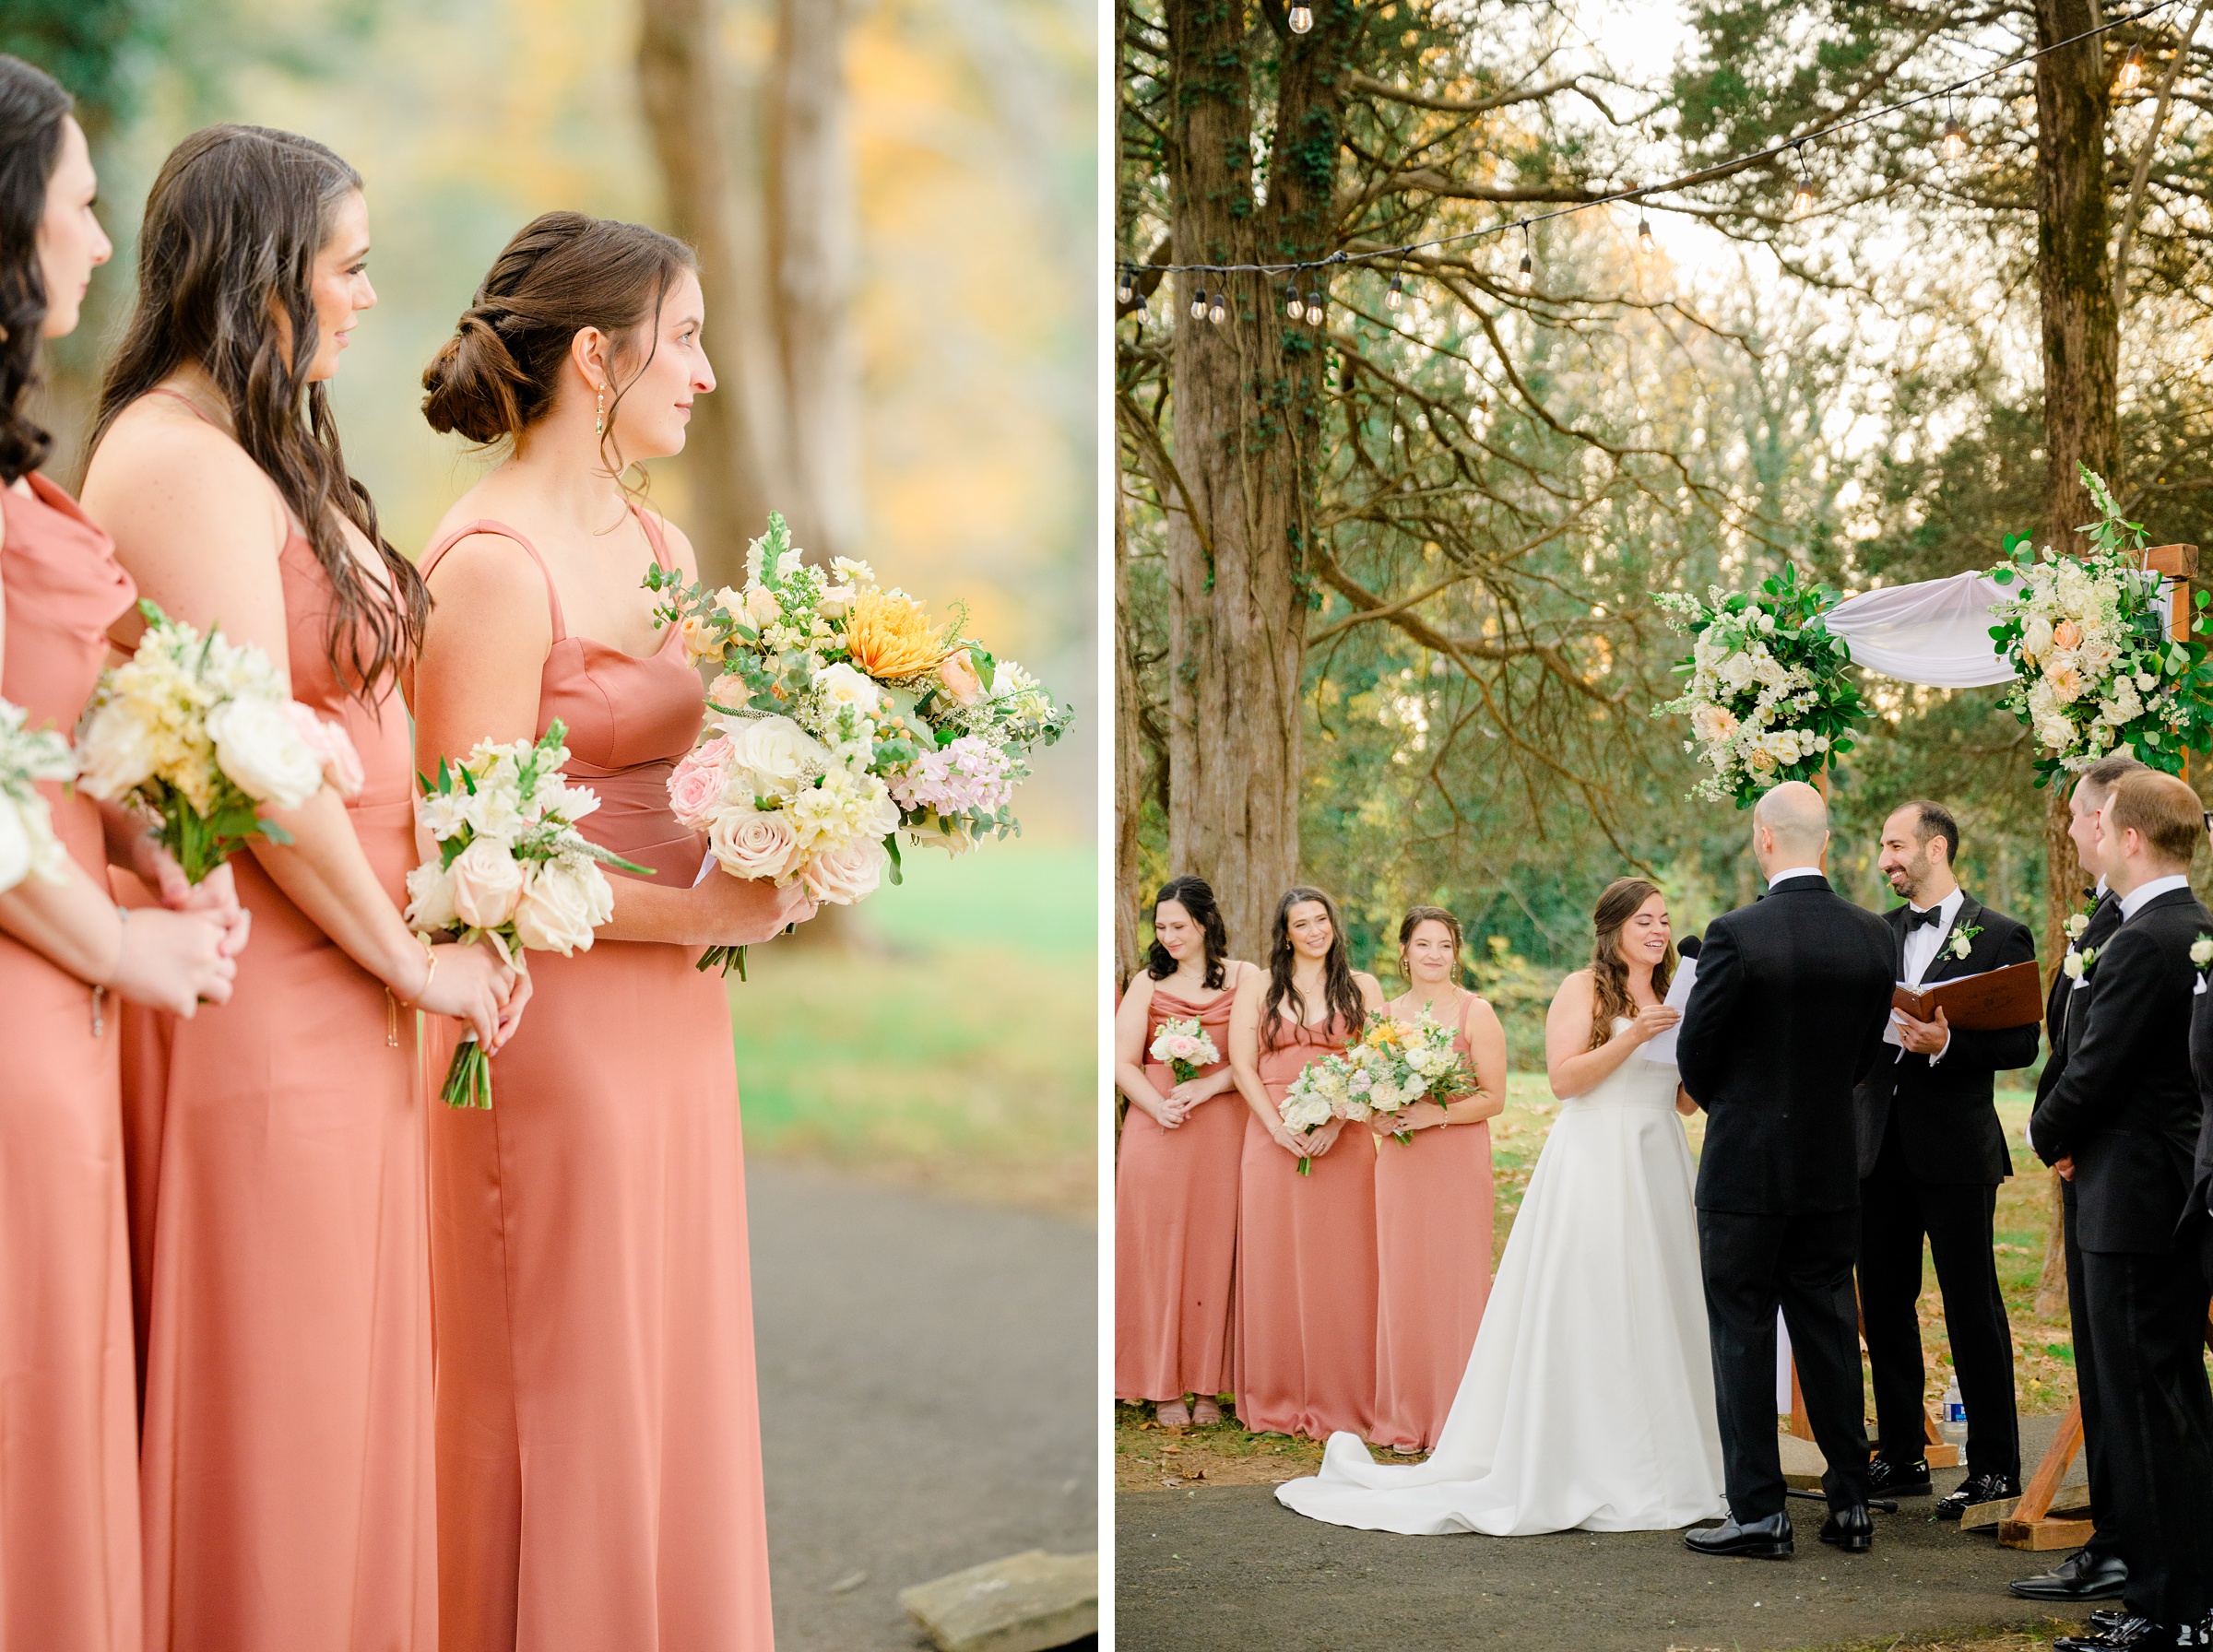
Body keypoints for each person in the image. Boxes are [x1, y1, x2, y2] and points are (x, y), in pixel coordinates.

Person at [81, 124, 522, 1651]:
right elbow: (259, 772)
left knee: (345, 1390)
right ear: (258, 274)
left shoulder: (263, 450)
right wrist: (412, 958)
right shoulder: (172, 459)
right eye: (348, 266)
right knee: (281, 1398)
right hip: (273, 984)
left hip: (346, 973)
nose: (371, 299)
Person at [411, 210, 814, 1649]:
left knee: (670, 1360)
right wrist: (701, 909)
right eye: (685, 339)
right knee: (563, 1377)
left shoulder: (661, 542)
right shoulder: (488, 566)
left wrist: (807, 810)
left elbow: (686, 766)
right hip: (554, 1030)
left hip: (674, 1021)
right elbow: (476, 860)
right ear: (598, 356)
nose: (703, 374)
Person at [0, 59, 242, 1651]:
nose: (97, 248)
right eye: (80, 209)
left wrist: (167, 825)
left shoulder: (23, 470)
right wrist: (115, 938)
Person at [1277, 878, 1727, 1535]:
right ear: (1614, 930)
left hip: (1659, 1155)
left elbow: (1685, 1100)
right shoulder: (1584, 989)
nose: (1659, 932)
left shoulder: (1675, 993)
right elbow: (1563, 1079)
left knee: (1664, 1299)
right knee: (1595, 1297)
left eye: (1663, 920)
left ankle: (1673, 1454)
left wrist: (1700, 1041)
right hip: (1596, 1156)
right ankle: (1587, 1453)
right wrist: (1633, 1038)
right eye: (1644, 922)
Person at [1676, 780, 1896, 1561]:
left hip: (1745, 1170)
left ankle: (1761, 1513)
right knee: (1831, 1332)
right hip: (1832, 1165)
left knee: (1740, 1330)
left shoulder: (1736, 934)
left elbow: (1695, 1053)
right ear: (1826, 844)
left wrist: (1733, 1102)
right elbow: (1871, 1052)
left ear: (1764, 839)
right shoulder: (1875, 936)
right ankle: (1851, 1505)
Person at [2028, 769, 2213, 1652]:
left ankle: (2168, 1612)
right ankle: (2176, 1599)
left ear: (2130, 838)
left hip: (2134, 1199)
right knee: (2168, 1404)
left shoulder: (2146, 940)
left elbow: (2094, 1069)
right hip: (2160, 1190)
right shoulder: (2196, 929)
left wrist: (2047, 1128)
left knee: (2147, 1411)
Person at [1854, 800, 2038, 1516]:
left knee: (1972, 1303)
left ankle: (1996, 1465)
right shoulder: (1876, 934)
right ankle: (1900, 1455)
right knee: (1887, 1305)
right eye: (1881, 848)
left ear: (1936, 848)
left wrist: (1950, 1046)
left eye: (1895, 846)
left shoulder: (1999, 934)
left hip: (1957, 1150)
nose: (1884, 860)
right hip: (1879, 1146)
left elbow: (2023, 1043)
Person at [2012, 751, 2145, 1609]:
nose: (2068, 830)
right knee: (2097, 1372)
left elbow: (2115, 1057)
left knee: (2129, 1376)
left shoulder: (2144, 931)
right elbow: (2068, 1033)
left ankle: (2133, 1546)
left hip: (2118, 1168)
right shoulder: (2095, 919)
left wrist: (2059, 1129)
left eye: (2076, 817)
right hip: (2085, 1164)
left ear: (2107, 823)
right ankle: (2114, 1538)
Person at [1226, 885, 1383, 1439]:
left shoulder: (1362, 987)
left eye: (1322, 920)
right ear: (1285, 934)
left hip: (1344, 1137)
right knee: (1275, 1260)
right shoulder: (1260, 988)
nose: (1315, 931)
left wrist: (1337, 1121)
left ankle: (1345, 1393)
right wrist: (1275, 1126)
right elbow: (1243, 1065)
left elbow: (1376, 1061)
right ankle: (1278, 1393)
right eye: (1302, 923)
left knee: (1344, 1261)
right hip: (1272, 1136)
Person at [1366, 905, 1507, 1455]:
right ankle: (1405, 1416)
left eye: (1444, 945)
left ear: (1456, 953)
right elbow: (1366, 1087)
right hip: (1400, 1160)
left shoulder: (1476, 1012)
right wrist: (1374, 1114)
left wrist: (1437, 1114)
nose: (1433, 954)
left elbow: (1495, 1097)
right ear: (1404, 952)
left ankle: (1457, 1417)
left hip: (1456, 1159)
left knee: (1454, 1282)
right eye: (1422, 944)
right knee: (1403, 1282)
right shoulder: (1383, 1014)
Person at [1115, 874, 1253, 1427]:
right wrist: (1156, 1105)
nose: (1169, 936)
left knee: (1214, 1250)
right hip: (1159, 1128)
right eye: (1160, 927)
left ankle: (1207, 1385)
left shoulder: (1246, 978)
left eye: (1179, 926)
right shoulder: (1146, 982)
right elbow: (1122, 1061)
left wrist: (1208, 1086)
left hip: (1221, 1128)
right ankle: (1160, 1382)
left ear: (1205, 923)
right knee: (1158, 1249)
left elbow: (1252, 1059)